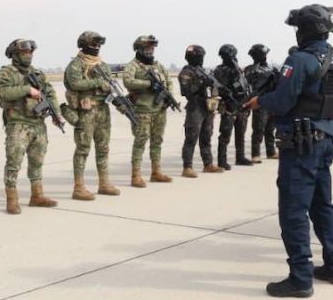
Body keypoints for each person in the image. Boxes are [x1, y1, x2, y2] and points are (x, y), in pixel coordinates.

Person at [244, 5, 333, 298]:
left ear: (305, 30)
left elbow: (282, 102)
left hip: (302, 145)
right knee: (322, 205)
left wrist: (261, 101)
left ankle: (301, 278)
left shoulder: (299, 60)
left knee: (293, 211)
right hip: (325, 139)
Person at [0, 38, 62, 213]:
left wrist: (56, 114)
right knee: (14, 163)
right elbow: (4, 93)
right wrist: (27, 90)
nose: (28, 55)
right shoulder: (5, 73)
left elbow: (50, 93)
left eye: (30, 52)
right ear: (15, 54)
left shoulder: (37, 74)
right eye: (24, 52)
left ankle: (37, 195)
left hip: (38, 123)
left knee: (37, 161)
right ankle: (12, 199)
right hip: (18, 124)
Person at [64, 31, 120, 199]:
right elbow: (75, 83)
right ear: (84, 44)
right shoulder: (76, 64)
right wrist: (98, 82)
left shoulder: (102, 64)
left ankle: (104, 183)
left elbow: (108, 83)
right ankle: (78, 188)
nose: (97, 47)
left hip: (103, 110)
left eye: (98, 44)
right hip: (86, 111)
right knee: (83, 149)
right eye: (93, 44)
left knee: (103, 148)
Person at [122, 35, 174, 187]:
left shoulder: (158, 66)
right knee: (140, 142)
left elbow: (169, 81)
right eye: (147, 47)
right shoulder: (133, 66)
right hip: (142, 110)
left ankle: (156, 172)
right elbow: (128, 81)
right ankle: (136, 176)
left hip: (159, 109)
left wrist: (168, 94)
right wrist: (148, 84)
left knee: (157, 141)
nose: (151, 50)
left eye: (152, 47)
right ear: (139, 48)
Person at [177, 45, 223, 177]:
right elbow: (186, 91)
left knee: (206, 136)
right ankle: (187, 167)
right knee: (191, 137)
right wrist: (201, 83)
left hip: (207, 105)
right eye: (199, 57)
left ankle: (208, 164)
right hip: (195, 106)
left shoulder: (203, 71)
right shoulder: (187, 73)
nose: (201, 59)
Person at [214, 44, 253, 169]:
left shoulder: (237, 69)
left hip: (240, 103)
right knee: (225, 134)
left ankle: (240, 157)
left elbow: (243, 85)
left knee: (241, 132)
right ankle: (222, 160)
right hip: (229, 104)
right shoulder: (220, 70)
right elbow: (220, 87)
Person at [244, 44, 278, 163]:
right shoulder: (251, 69)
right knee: (259, 128)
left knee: (270, 127)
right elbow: (251, 80)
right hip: (259, 100)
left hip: (271, 100)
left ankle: (271, 151)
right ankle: (255, 154)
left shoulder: (270, 68)